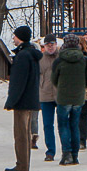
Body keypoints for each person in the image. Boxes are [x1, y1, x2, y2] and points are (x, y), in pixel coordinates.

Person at [4, 25, 41, 171]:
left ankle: (22, 167)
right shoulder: (31, 54)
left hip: (22, 101)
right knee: (25, 134)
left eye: (15, 36)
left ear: (20, 37)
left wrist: (11, 101)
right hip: (30, 99)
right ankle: (23, 165)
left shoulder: (23, 56)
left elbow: (18, 82)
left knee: (21, 135)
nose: (13, 38)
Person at [51, 33, 87, 166]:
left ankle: (66, 154)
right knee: (74, 125)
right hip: (78, 97)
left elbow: (53, 79)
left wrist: (61, 87)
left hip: (63, 97)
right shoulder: (85, 60)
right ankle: (75, 156)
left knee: (63, 125)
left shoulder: (59, 60)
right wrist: (81, 87)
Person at [38, 34, 59, 162]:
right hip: (45, 94)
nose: (50, 47)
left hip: (60, 94)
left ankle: (67, 149)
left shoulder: (62, 57)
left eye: (52, 44)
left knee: (63, 123)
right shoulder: (40, 59)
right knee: (47, 124)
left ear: (56, 44)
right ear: (44, 46)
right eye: (47, 45)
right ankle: (50, 151)